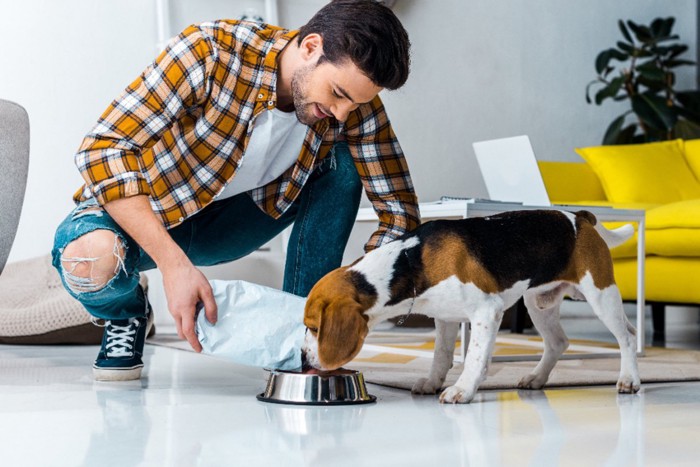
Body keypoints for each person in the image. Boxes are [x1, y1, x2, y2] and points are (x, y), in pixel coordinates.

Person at [52, 0, 420, 381]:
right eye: (338, 94)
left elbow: (399, 213)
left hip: (234, 223)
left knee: (341, 163)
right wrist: (173, 265)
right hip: (152, 215)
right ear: (310, 47)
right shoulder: (208, 52)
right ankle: (126, 313)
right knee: (88, 260)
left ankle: (304, 336)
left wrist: (358, 294)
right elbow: (104, 148)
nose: (343, 112)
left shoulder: (351, 108)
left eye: (356, 103)